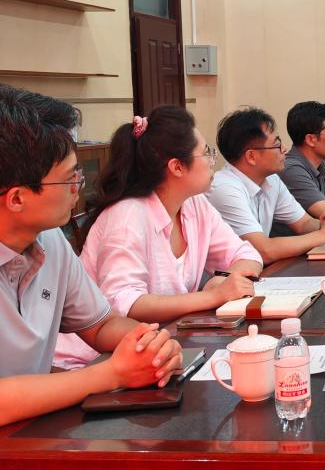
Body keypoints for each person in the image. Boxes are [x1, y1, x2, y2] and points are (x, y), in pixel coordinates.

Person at [0, 85, 182, 470]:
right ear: (16, 198)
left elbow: (100, 325)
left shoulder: (49, 242)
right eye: (69, 178)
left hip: (26, 455)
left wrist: (148, 342)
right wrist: (110, 374)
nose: (79, 186)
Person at [54, 106, 263, 370]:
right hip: (93, 359)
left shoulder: (195, 204)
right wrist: (212, 296)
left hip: (163, 344)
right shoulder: (128, 215)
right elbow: (125, 302)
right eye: (206, 152)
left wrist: (225, 280)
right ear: (177, 166)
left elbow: (247, 254)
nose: (212, 161)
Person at [206, 107, 325, 264]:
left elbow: (303, 224)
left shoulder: (272, 180)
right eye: (277, 145)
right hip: (227, 275)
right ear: (251, 156)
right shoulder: (224, 189)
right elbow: (263, 250)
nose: (284, 149)